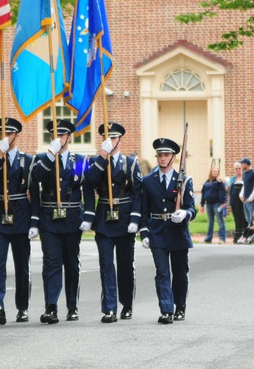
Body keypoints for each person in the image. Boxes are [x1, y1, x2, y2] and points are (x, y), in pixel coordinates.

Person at [82, 122, 143, 323]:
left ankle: (126, 305)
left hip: (125, 218)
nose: (111, 141)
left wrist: (135, 218)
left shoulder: (131, 163)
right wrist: (103, 156)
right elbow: (88, 182)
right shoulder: (95, 161)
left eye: (114, 137)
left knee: (125, 266)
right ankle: (109, 308)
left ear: (120, 139)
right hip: (104, 219)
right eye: (107, 138)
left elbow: (137, 192)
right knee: (106, 265)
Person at [29, 119, 87, 324]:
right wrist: (50, 155)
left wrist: (88, 215)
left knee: (71, 263)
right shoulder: (41, 160)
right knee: (51, 263)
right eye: (55, 135)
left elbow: (82, 185)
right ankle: (51, 307)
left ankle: (72, 306)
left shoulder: (79, 159)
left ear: (69, 137)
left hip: (72, 219)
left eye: (62, 135)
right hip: (49, 219)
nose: (59, 138)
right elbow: (35, 180)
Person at [0, 118, 33, 325]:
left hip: (20, 216)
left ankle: (22, 307)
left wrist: (34, 221)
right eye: (2, 133)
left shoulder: (27, 160)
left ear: (16, 135)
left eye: (9, 133)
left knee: (22, 266)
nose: (5, 137)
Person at [140, 138, 196, 324]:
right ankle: (166, 309)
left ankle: (180, 306)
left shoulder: (184, 180)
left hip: (178, 231)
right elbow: (144, 211)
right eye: (160, 155)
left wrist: (184, 214)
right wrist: (145, 233)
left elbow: (192, 209)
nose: (162, 159)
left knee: (180, 272)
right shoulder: (148, 181)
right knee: (162, 272)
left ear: (174, 157)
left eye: (166, 155)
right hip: (157, 231)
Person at [200, 166, 227, 244]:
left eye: (216, 171)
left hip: (217, 204)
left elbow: (223, 193)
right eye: (213, 171)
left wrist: (223, 203)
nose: (215, 172)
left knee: (220, 221)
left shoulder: (219, 182)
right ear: (211, 172)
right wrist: (202, 204)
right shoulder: (207, 182)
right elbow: (203, 193)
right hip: (208, 204)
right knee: (210, 222)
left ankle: (222, 238)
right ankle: (208, 238)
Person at [227, 162, 247, 243]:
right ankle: (237, 234)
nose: (238, 170)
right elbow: (228, 188)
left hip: (242, 202)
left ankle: (243, 235)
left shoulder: (244, 178)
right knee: (236, 218)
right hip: (233, 201)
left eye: (239, 168)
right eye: (236, 169)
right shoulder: (232, 179)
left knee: (242, 218)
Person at [240, 158, 254, 227]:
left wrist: (251, 198)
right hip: (245, 200)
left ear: (245, 164)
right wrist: (241, 195)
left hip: (252, 201)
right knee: (248, 219)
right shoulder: (244, 173)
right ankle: (249, 234)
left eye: (242, 164)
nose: (241, 166)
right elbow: (244, 185)